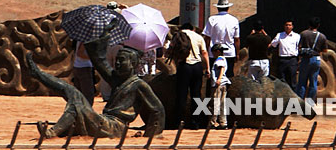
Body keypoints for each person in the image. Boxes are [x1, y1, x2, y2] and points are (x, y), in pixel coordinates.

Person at [26, 21, 165, 139]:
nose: (116, 64)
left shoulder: (139, 85)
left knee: (76, 101)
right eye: (117, 60)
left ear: (133, 64)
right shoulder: (117, 79)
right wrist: (104, 34)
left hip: (114, 128)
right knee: (70, 90)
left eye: (121, 61)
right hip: (104, 122)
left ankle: (51, 133)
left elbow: (157, 109)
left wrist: (151, 134)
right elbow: (100, 61)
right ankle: (38, 74)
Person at [175, 23, 210, 130]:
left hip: (184, 66)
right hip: (197, 67)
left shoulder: (178, 35)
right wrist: (207, 68)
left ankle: (179, 121)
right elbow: (204, 53)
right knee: (197, 95)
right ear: (193, 28)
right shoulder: (199, 37)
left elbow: (170, 51)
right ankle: (196, 122)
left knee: (182, 94)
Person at [203, 0, 240, 78]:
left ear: (218, 8)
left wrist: (206, 51)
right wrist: (237, 53)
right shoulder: (234, 20)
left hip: (214, 52)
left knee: (213, 76)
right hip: (229, 52)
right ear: (228, 8)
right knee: (229, 75)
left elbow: (207, 38)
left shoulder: (212, 19)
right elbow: (236, 39)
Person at [296, 17, 328, 101]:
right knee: (313, 82)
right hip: (316, 59)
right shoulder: (322, 36)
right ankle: (310, 102)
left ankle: (300, 102)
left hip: (306, 59)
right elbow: (325, 50)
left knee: (302, 81)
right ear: (318, 25)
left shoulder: (304, 34)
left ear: (309, 24)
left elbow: (299, 47)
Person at [270, 19, 300, 90]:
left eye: (289, 25)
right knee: (282, 79)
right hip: (282, 60)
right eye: (286, 25)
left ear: (292, 26)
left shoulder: (297, 36)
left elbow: (299, 47)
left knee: (292, 79)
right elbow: (273, 44)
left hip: (292, 60)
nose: (288, 27)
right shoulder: (279, 35)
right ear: (284, 26)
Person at [209, 44, 231, 130]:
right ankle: (223, 123)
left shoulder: (220, 59)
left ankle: (212, 122)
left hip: (219, 84)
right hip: (223, 84)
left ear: (217, 51)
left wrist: (219, 79)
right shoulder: (223, 59)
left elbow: (221, 68)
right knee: (222, 104)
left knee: (216, 103)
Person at [72, 41, 95, 106]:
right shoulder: (86, 40)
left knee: (79, 92)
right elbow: (80, 53)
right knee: (88, 93)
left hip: (77, 66)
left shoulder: (80, 39)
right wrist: (92, 58)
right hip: (84, 67)